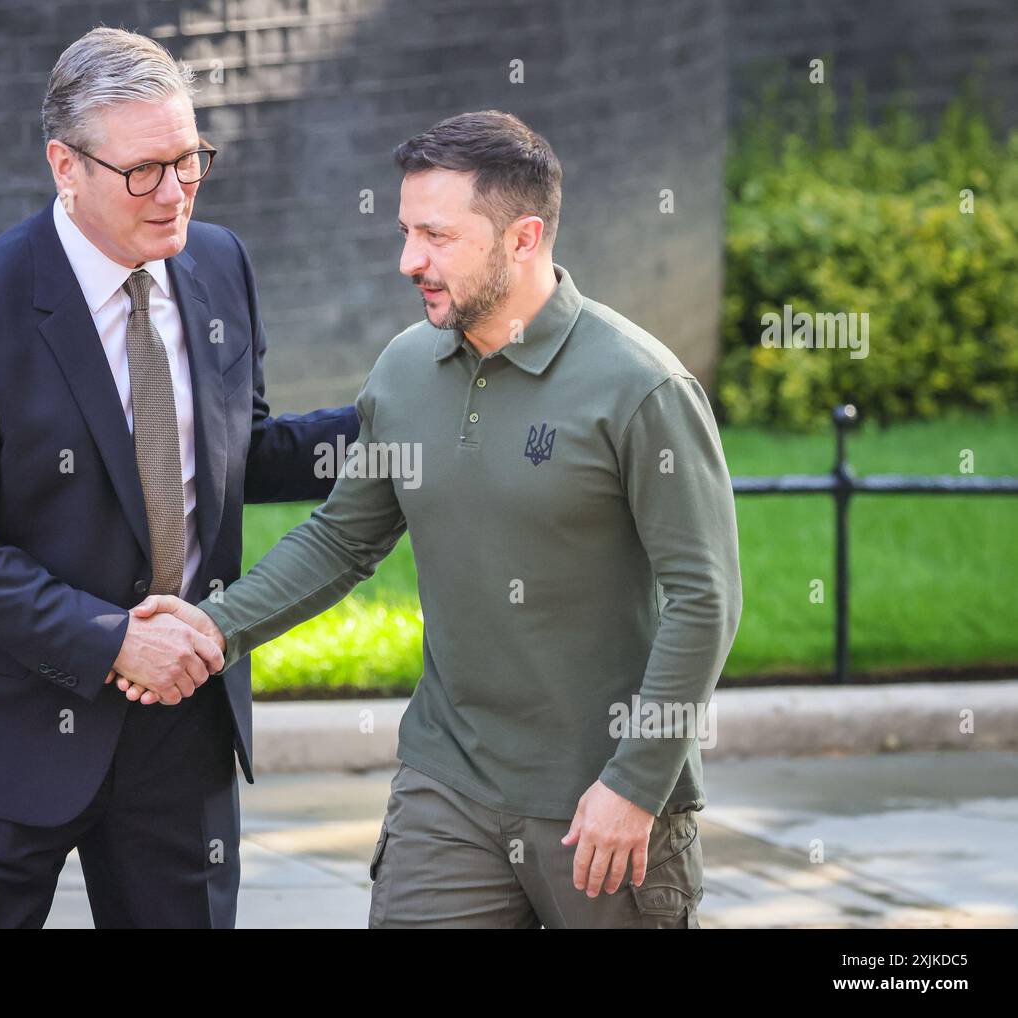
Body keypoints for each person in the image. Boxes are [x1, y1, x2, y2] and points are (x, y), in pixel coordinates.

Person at [128, 110, 743, 928]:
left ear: (523, 239)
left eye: (437, 236)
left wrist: (636, 784)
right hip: (447, 788)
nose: (408, 259)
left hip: (600, 800)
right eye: (406, 230)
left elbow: (707, 598)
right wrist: (211, 631)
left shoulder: (640, 389)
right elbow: (344, 538)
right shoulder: (406, 369)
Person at [0, 27, 358, 928]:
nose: (174, 191)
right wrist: (112, 641)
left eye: (190, 160)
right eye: (144, 170)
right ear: (65, 165)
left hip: (180, 727)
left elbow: (236, 453)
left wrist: (391, 427)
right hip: (3, 728)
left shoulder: (218, 264)